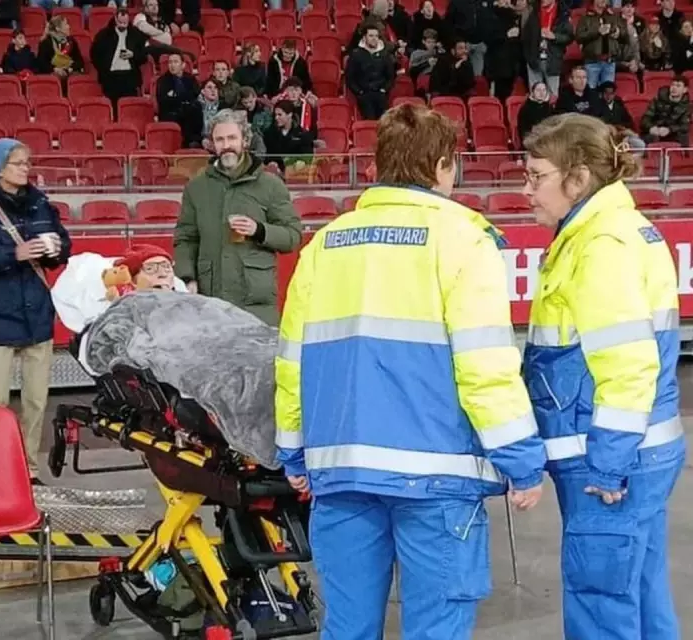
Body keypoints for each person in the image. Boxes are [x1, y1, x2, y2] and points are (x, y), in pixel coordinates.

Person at [274, 104, 547, 640]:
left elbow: (292, 363)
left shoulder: (324, 244)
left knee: (348, 627)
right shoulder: (464, 240)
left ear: (379, 164)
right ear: (445, 165)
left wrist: (292, 448)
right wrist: (521, 459)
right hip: (438, 477)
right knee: (436, 627)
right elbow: (485, 364)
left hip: (341, 471)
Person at [521, 113, 685, 640]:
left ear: (578, 178)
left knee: (600, 603)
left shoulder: (599, 247)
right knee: (638, 593)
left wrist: (608, 464)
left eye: (536, 176)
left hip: (610, 459)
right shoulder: (615, 230)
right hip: (637, 452)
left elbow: (627, 364)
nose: (527, 190)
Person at [0, 138, 72, 485]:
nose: (25, 168)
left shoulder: (41, 205)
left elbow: (64, 245)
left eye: (26, 162)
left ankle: (27, 471)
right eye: (17, 163)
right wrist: (13, 255)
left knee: (36, 402)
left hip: (37, 318)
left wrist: (54, 249)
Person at [173, 109, 302, 327]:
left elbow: (292, 236)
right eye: (219, 139)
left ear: (245, 140)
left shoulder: (270, 185)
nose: (226, 145)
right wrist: (187, 278)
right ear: (212, 144)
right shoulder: (196, 188)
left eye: (232, 138)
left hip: (256, 304)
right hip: (210, 302)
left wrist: (259, 230)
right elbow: (186, 238)